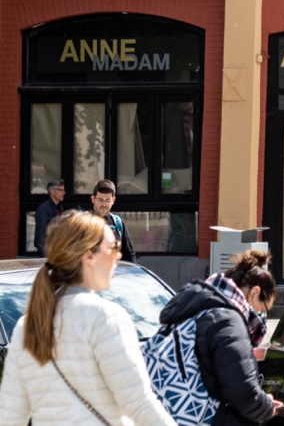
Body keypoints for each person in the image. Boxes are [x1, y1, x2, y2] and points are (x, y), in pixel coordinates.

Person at [0, 211, 176, 426]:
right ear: (88, 256)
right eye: (113, 248)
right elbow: (139, 403)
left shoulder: (26, 325)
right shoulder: (105, 317)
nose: (118, 256)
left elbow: (9, 415)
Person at [157, 249, 284, 426]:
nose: (262, 317)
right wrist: (266, 406)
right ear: (254, 292)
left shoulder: (195, 308)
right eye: (263, 309)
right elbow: (243, 393)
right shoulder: (229, 322)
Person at [89, 179, 136, 261]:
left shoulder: (118, 223)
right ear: (93, 199)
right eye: (100, 200)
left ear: (113, 200)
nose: (104, 204)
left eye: (107, 200)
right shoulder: (83, 223)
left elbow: (129, 255)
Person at [34, 179, 66, 256]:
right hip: (48, 254)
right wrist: (45, 256)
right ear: (52, 192)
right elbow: (40, 236)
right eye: (60, 190)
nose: (63, 193)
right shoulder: (44, 209)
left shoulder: (59, 208)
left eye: (63, 190)